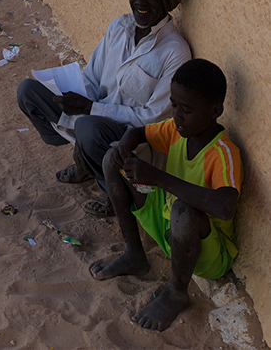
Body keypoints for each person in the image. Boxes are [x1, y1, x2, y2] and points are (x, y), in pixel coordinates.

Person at [17, 0, 191, 217]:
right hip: (92, 119)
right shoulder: (118, 28)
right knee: (29, 92)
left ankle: (114, 191)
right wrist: (68, 94)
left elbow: (153, 120)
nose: (140, 1)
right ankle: (86, 159)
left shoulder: (175, 52)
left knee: (88, 127)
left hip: (133, 142)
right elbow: (92, 79)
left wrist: (91, 110)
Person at [90, 59, 242, 332]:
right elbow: (137, 132)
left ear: (215, 110)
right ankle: (134, 254)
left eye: (186, 109)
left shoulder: (224, 152)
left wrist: (157, 177)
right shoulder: (176, 130)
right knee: (111, 158)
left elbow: (225, 207)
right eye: (174, 105)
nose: (177, 115)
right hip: (166, 222)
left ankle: (176, 291)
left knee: (184, 211)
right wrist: (125, 146)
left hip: (204, 251)